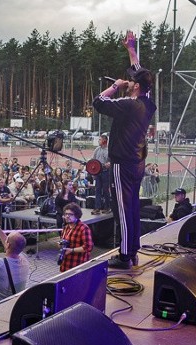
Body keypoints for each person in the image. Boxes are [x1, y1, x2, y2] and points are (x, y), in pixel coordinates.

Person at [92, 29, 156, 269]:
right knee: (132, 208)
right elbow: (138, 72)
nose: (128, 80)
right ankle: (132, 249)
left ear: (136, 86)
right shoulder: (148, 103)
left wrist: (115, 87)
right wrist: (131, 49)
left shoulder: (129, 104)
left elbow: (98, 102)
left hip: (122, 164)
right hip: (137, 163)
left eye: (132, 81)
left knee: (121, 209)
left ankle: (126, 255)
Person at [57, 203, 94, 273]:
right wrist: (60, 244)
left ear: (77, 215)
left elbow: (88, 247)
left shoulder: (83, 228)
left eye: (70, 214)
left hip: (77, 266)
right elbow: (64, 241)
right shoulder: (66, 227)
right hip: (65, 265)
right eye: (65, 214)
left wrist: (72, 250)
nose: (67, 216)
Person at [91, 134, 111, 214]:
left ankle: (107, 207)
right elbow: (93, 160)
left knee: (106, 190)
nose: (98, 141)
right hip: (98, 172)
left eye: (100, 139)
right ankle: (97, 208)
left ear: (104, 140)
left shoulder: (109, 150)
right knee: (97, 190)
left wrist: (109, 163)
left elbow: (113, 160)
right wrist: (93, 172)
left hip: (106, 172)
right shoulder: (97, 149)